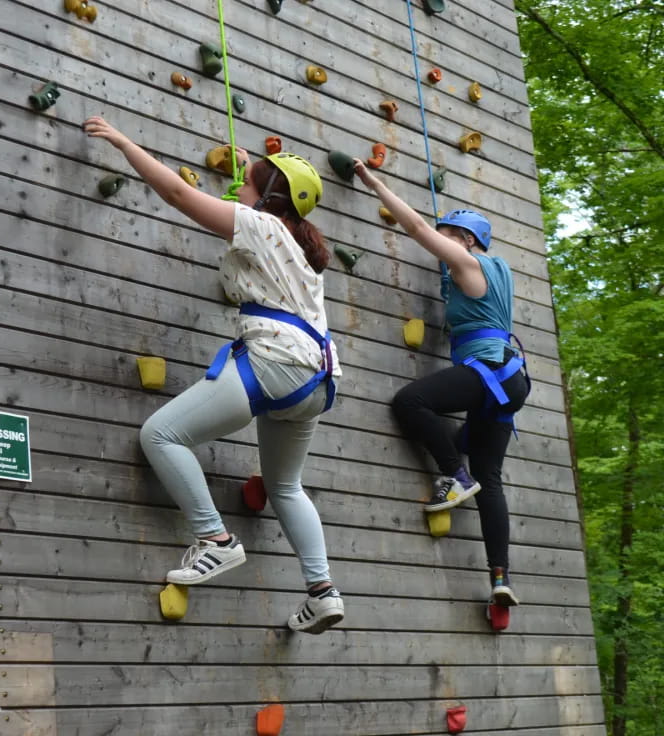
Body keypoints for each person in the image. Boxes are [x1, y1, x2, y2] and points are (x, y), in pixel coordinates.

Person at [83, 116, 344, 633]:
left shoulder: (262, 226)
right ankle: (322, 591)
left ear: (269, 196)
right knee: (285, 485)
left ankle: (215, 540)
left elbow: (181, 195)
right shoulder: (299, 251)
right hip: (317, 381)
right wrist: (252, 169)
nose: (237, 185)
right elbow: (253, 221)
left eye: (247, 181)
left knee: (161, 434)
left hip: (274, 363)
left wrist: (122, 140)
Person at [351, 158, 530, 607]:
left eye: (448, 239)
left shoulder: (471, 265)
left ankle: (453, 475)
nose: (442, 248)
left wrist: (374, 182)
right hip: (509, 382)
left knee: (410, 402)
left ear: (466, 241)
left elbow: (413, 228)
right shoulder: (500, 271)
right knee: (490, 477)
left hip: (488, 373)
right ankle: (500, 579)